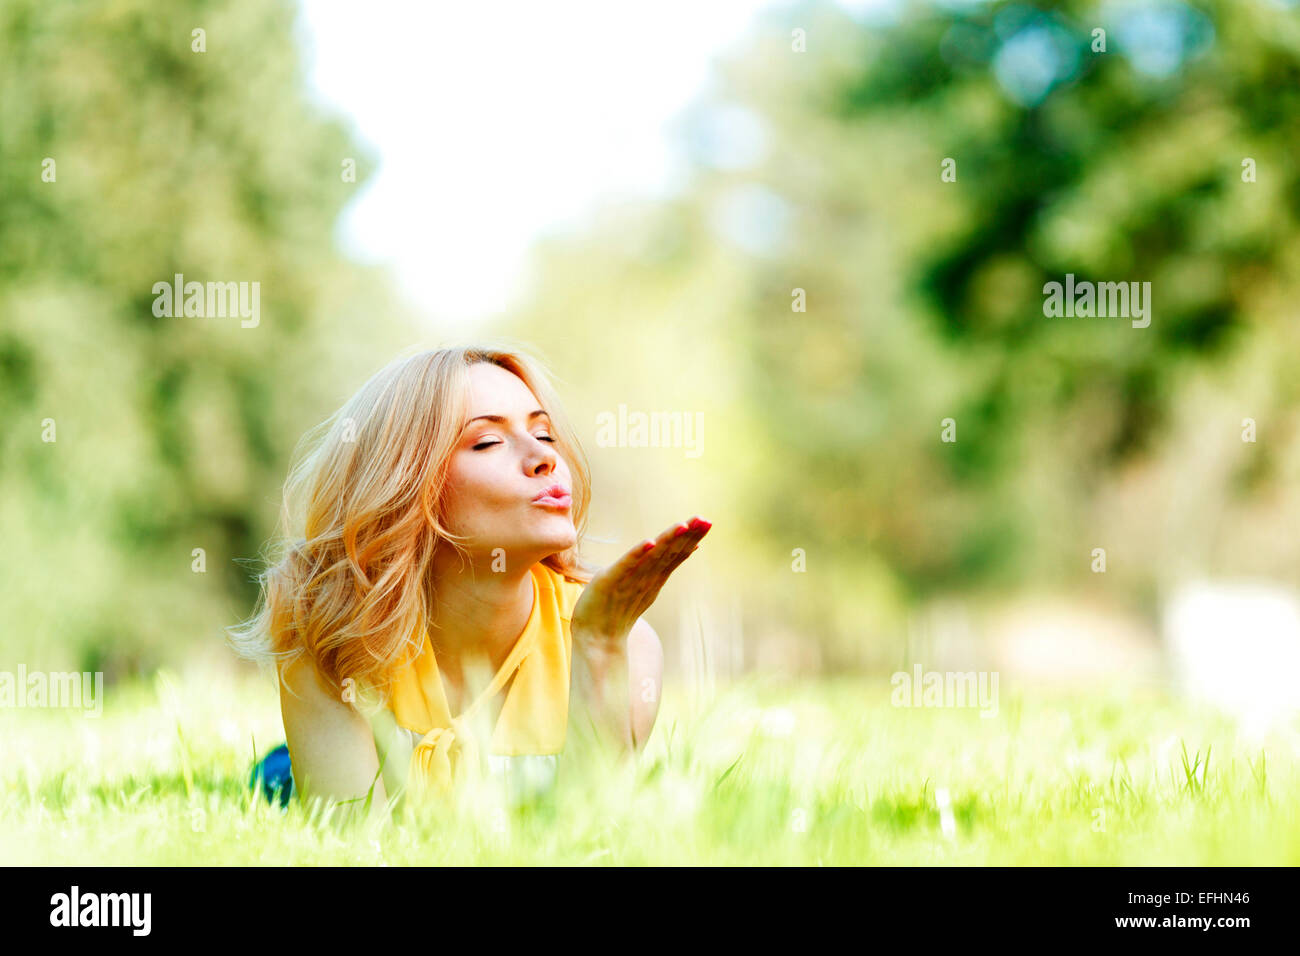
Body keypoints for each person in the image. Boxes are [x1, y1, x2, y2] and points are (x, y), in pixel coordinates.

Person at [230, 344, 711, 822]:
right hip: (291, 774)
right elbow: (354, 839)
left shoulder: (626, 644)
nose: (542, 457)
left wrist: (601, 644)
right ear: (406, 486)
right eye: (487, 442)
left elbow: (585, 837)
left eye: (544, 434)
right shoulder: (330, 628)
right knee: (278, 777)